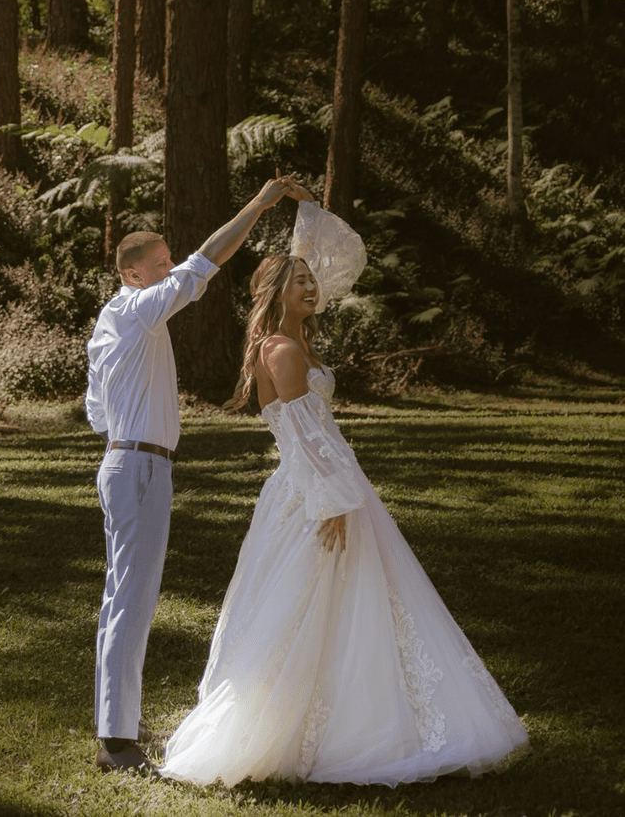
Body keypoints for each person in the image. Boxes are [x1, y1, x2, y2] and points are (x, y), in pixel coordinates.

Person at [161, 184, 529, 787]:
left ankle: (348, 715)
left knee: (353, 604)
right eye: (299, 280)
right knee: (308, 604)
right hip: (316, 490)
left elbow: (313, 433)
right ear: (276, 292)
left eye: (312, 279)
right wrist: (335, 500)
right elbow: (305, 437)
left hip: (322, 482)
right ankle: (302, 731)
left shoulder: (289, 344)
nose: (311, 288)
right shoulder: (282, 350)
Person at [85, 176, 294, 777]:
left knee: (120, 598)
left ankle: (116, 723)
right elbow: (207, 263)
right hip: (140, 466)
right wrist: (261, 202)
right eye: (161, 265)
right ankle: (116, 743)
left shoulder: (112, 324)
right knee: (131, 599)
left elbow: (96, 409)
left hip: (125, 463)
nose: (171, 271)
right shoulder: (134, 309)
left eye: (169, 262)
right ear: (133, 275)